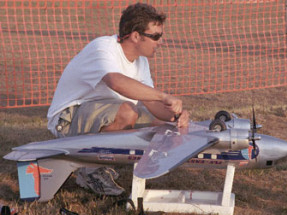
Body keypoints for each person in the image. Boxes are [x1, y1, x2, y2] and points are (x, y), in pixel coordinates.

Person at [47, 3, 189, 196]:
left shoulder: (141, 61)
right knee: (128, 111)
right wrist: (164, 96)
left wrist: (176, 115)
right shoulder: (103, 47)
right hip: (67, 120)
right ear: (136, 35)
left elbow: (150, 102)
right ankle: (90, 171)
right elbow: (115, 82)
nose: (160, 42)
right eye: (155, 36)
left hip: (100, 114)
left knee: (160, 123)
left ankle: (101, 162)